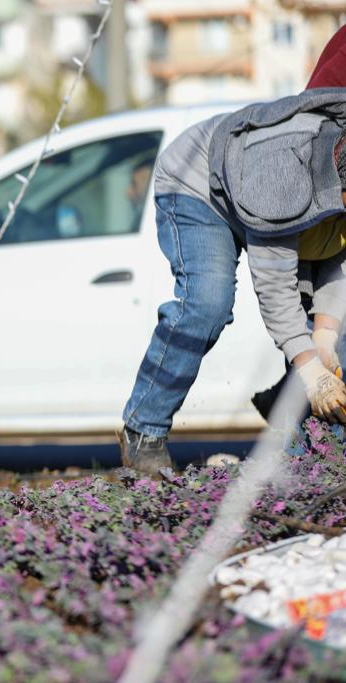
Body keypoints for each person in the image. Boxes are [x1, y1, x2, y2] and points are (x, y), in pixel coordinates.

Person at [120, 89, 346, 474]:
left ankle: (313, 459)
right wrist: (311, 370)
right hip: (199, 186)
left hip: (276, 196)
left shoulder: (335, 177)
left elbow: (335, 251)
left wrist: (324, 335)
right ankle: (144, 431)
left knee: (324, 335)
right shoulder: (280, 181)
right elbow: (275, 288)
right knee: (207, 304)